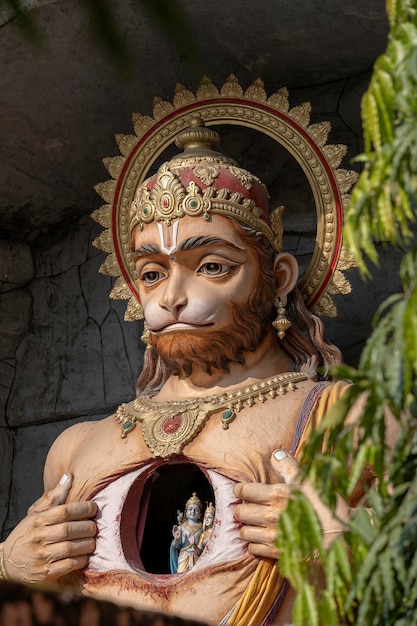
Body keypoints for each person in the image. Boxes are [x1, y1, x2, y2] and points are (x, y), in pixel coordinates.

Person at [0, 118, 372, 624]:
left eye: (213, 267)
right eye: (152, 274)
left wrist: (354, 546)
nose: (173, 297)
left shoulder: (347, 418)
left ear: (279, 279)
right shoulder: (75, 448)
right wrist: (9, 566)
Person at [170, 493, 203, 574]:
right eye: (190, 509)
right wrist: (176, 540)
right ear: (186, 513)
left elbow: (201, 550)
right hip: (183, 556)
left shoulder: (202, 528)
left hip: (196, 557)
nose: (193, 512)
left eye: (196, 510)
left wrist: (194, 545)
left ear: (200, 515)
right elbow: (176, 547)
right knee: (181, 577)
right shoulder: (181, 527)